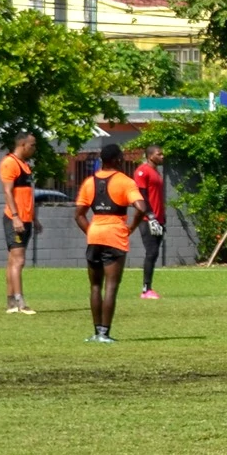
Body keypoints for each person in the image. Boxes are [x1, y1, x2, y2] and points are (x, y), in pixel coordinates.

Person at [74, 143, 146, 342]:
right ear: (117, 160)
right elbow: (141, 207)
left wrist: (92, 232)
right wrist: (131, 226)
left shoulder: (89, 182)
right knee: (111, 286)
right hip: (115, 235)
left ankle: (96, 333)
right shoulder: (125, 182)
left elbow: (79, 215)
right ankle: (105, 333)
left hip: (95, 234)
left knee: (95, 286)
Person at [0, 132, 39, 315]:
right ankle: (20, 302)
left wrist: (34, 218)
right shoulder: (9, 163)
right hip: (15, 219)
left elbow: (27, 195)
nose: (34, 148)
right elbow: (8, 192)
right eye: (32, 145)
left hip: (26, 219)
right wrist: (15, 216)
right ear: (23, 144)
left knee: (12, 261)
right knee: (19, 260)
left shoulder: (25, 165)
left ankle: (10, 303)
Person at [132, 145, 168, 301]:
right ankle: (146, 289)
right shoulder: (143, 171)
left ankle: (148, 288)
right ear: (150, 156)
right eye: (159, 154)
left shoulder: (156, 173)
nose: (162, 156)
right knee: (151, 252)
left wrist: (161, 218)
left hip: (158, 218)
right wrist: (150, 215)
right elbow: (141, 194)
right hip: (148, 219)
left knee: (154, 253)